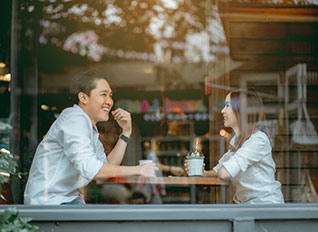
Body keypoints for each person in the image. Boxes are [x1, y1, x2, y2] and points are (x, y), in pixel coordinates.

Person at [24, 69, 157, 205]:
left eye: (110, 95)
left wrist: (126, 133)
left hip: (66, 200)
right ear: (83, 98)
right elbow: (91, 169)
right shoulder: (74, 119)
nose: (109, 101)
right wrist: (138, 170)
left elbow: (107, 167)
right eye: (103, 95)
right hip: (49, 205)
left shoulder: (89, 126)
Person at [186, 89, 284, 204]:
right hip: (250, 207)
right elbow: (219, 169)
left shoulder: (258, 140)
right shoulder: (237, 141)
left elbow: (225, 172)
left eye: (227, 106)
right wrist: (203, 172)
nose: (222, 111)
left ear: (241, 110)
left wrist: (222, 169)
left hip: (266, 208)